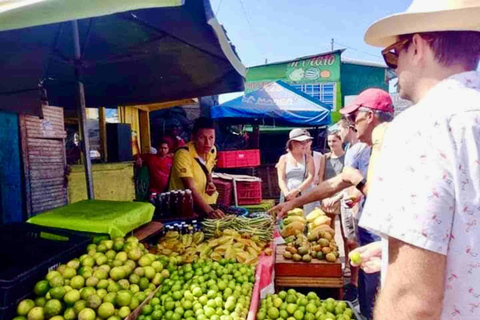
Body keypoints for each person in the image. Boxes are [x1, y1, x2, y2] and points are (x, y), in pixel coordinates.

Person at [353, 1, 480, 319]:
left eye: (393, 54)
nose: (394, 69)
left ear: (419, 46)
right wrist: (392, 254)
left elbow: (412, 300)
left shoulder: (422, 126)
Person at [269, 88, 394, 319]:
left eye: (354, 117)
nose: (351, 124)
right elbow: (332, 184)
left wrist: (358, 180)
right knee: (369, 295)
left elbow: (384, 197)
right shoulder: (360, 149)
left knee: (385, 298)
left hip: (389, 241)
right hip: (369, 235)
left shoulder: (397, 148)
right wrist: (293, 203)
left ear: (369, 116)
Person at [168, 117, 224, 219]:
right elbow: (190, 188)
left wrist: (210, 182)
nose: (208, 143)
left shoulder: (212, 150)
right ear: (193, 137)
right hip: (186, 210)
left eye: (211, 138)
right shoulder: (183, 154)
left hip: (207, 205)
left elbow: (208, 169)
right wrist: (210, 211)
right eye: (202, 138)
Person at [276, 129, 315, 215]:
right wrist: (287, 193)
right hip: (288, 196)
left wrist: (297, 190)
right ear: (293, 143)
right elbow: (281, 179)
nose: (305, 145)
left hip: (304, 196)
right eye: (302, 142)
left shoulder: (308, 158)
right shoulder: (284, 158)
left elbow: (310, 177)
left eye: (306, 141)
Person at [319, 130, 345, 215]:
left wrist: (337, 198)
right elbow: (321, 179)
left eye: (334, 141)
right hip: (327, 196)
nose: (331, 144)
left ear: (341, 141)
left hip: (342, 195)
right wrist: (324, 197)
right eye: (329, 141)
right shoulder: (325, 158)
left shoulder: (347, 157)